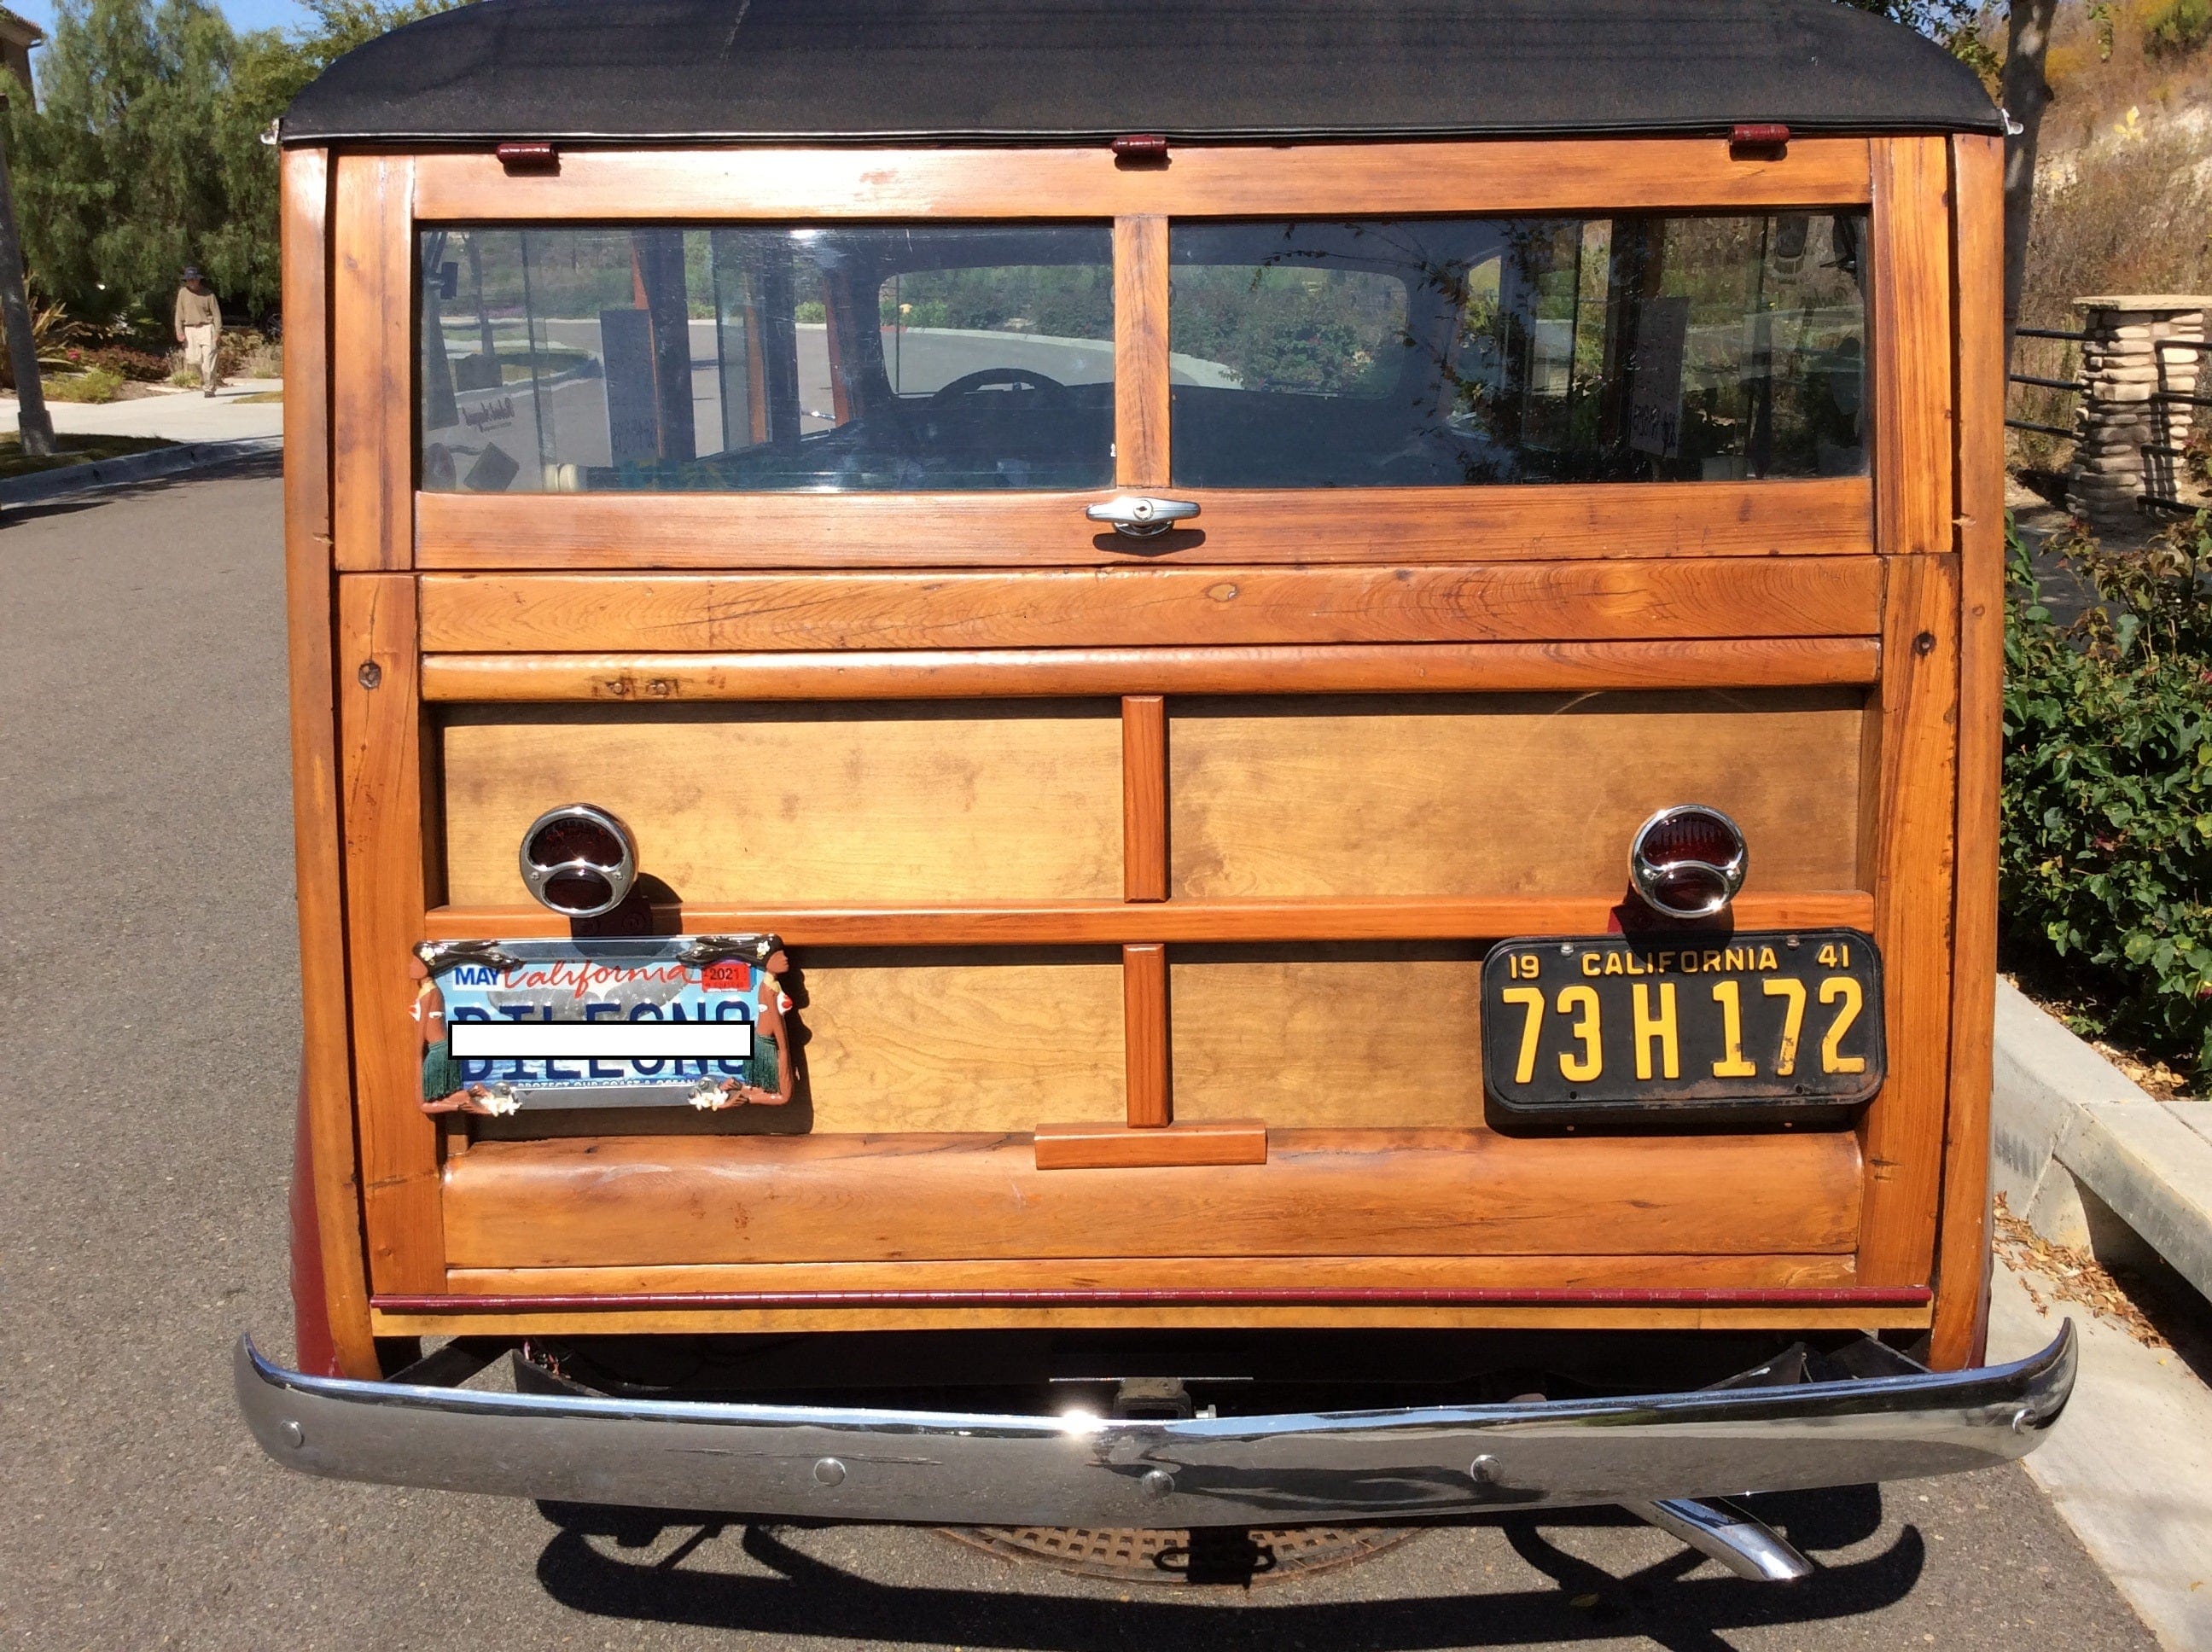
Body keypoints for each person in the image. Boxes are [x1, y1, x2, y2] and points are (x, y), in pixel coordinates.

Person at [172, 266, 222, 397]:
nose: (191, 282)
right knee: (193, 360)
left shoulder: (208, 294)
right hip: (190, 329)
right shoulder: (183, 293)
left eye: (193, 280)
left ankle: (209, 388)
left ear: (198, 280)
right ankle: (205, 379)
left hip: (206, 327)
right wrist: (179, 331)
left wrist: (217, 332)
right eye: (188, 280)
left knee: (209, 360)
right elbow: (179, 313)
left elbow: (216, 315)